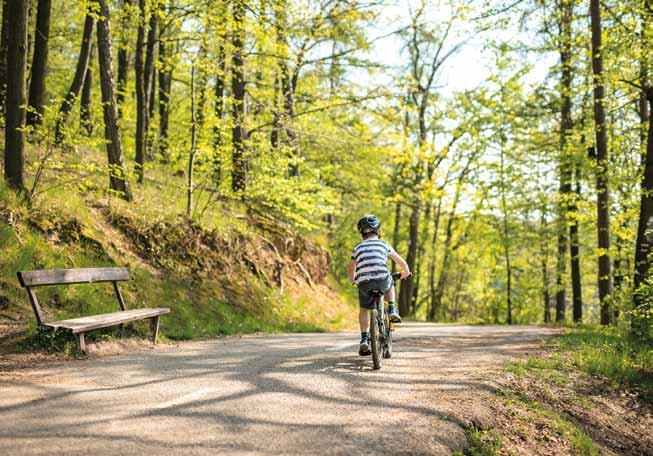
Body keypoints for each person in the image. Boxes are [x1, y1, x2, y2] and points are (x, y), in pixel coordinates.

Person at [348, 214, 410, 356]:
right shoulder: (384, 244)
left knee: (364, 309)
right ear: (378, 231)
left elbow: (351, 268)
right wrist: (405, 272)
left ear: (361, 232)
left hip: (364, 282)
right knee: (390, 281)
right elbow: (402, 263)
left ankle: (364, 339)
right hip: (382, 279)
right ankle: (393, 309)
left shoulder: (357, 247)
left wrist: (353, 281)